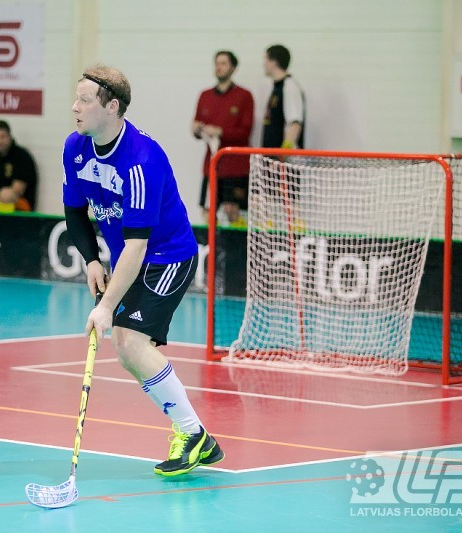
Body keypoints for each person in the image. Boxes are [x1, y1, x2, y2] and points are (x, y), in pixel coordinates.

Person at [62, 65, 224, 476]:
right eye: (76, 98)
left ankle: (193, 434)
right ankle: (197, 437)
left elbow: (137, 245)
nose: (75, 107)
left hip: (167, 257)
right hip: (130, 258)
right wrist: (92, 260)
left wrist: (106, 307)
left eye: (84, 100)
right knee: (128, 347)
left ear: (112, 107)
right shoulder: (75, 148)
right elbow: (75, 211)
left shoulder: (141, 160)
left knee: (130, 343)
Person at [192, 50, 254, 225]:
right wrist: (196, 129)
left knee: (233, 212)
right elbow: (197, 127)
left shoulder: (244, 96)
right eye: (217, 63)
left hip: (235, 167)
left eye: (224, 63)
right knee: (207, 211)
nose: (219, 67)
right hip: (211, 165)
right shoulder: (205, 95)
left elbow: (245, 132)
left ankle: (235, 244)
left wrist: (220, 131)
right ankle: (210, 243)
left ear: (233, 68)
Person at [262, 44, 305, 149]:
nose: (264, 64)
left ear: (274, 62)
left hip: (283, 157)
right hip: (273, 155)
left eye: (266, 60)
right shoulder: (278, 87)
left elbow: (295, 125)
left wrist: (283, 153)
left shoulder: (289, 86)